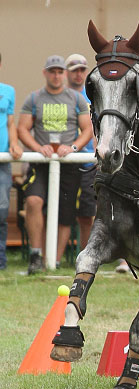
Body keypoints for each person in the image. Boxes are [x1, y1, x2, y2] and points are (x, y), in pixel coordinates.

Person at [18, 54, 92, 274]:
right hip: (41, 163)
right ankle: (36, 255)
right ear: (45, 73)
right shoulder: (34, 98)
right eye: (53, 71)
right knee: (33, 201)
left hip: (69, 164)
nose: (57, 75)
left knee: (65, 213)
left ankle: (55, 262)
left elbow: (87, 129)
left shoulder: (76, 99)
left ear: (64, 74)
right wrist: (37, 147)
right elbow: (22, 128)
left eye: (60, 72)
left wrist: (75, 147)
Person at [65, 53, 96, 251]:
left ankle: (85, 254)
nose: (79, 74)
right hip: (67, 160)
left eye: (82, 70)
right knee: (63, 211)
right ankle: (52, 258)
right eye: (74, 70)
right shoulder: (61, 94)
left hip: (91, 160)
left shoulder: (94, 94)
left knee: (88, 213)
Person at [0, 53, 23, 269]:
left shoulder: (8, 91)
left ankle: (1, 261)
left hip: (2, 162)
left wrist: (14, 144)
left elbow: (10, 122)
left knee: (2, 208)